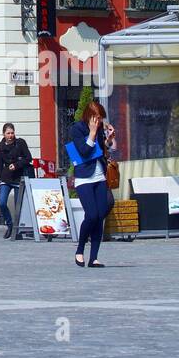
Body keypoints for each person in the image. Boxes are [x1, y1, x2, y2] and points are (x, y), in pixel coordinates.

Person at [70, 99, 116, 268]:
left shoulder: (100, 130)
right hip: (84, 178)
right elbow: (84, 151)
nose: (100, 121)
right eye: (97, 117)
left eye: (101, 118)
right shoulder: (77, 129)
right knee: (91, 215)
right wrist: (92, 132)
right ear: (90, 116)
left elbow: (103, 150)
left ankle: (94, 257)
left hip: (99, 176)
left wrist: (109, 139)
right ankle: (80, 249)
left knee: (100, 215)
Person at [0, 122, 33, 239]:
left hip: (18, 178)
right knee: (2, 202)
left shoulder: (20, 143)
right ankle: (10, 225)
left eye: (12, 133)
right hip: (6, 178)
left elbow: (28, 158)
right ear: (4, 134)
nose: (10, 135)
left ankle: (17, 230)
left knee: (18, 206)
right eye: (8, 133)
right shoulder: (0, 146)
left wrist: (16, 165)